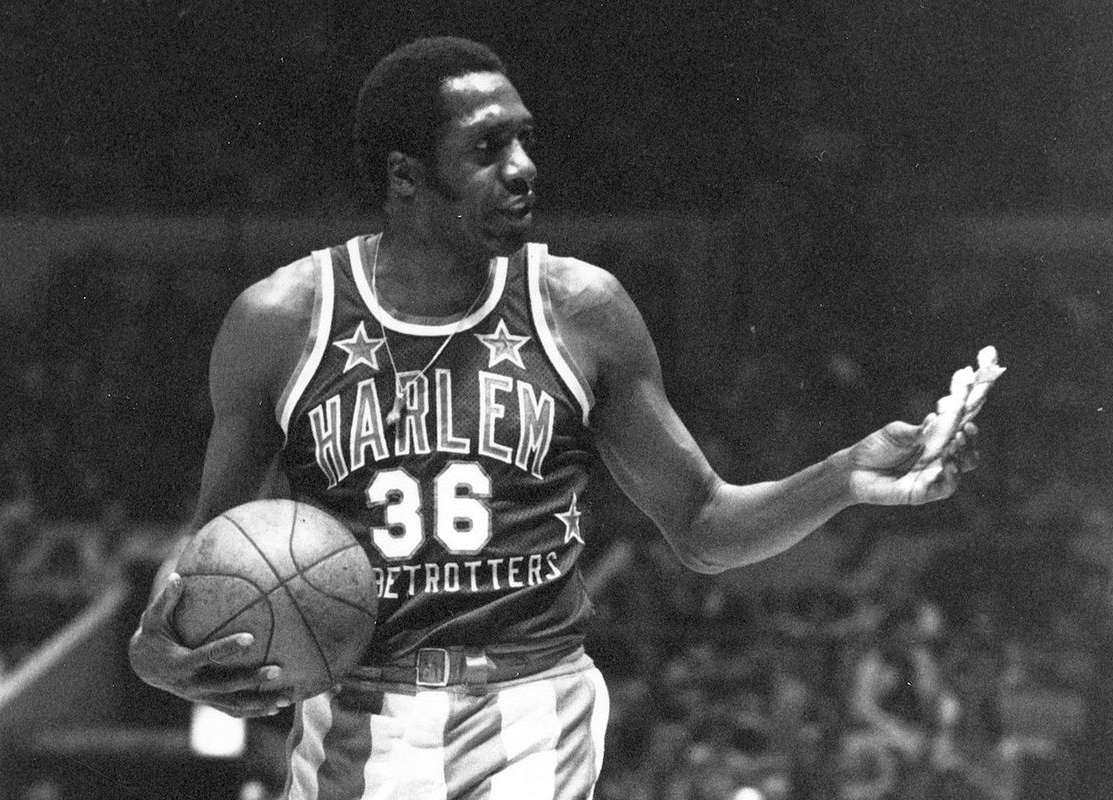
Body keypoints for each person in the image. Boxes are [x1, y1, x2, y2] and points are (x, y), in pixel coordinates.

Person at [129, 36, 981, 800]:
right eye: (488, 148)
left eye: (526, 139)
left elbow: (702, 523)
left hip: (533, 708)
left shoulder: (580, 308)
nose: (524, 166)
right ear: (404, 177)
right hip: (352, 722)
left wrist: (846, 475)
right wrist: (154, 642)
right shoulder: (281, 322)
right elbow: (213, 542)